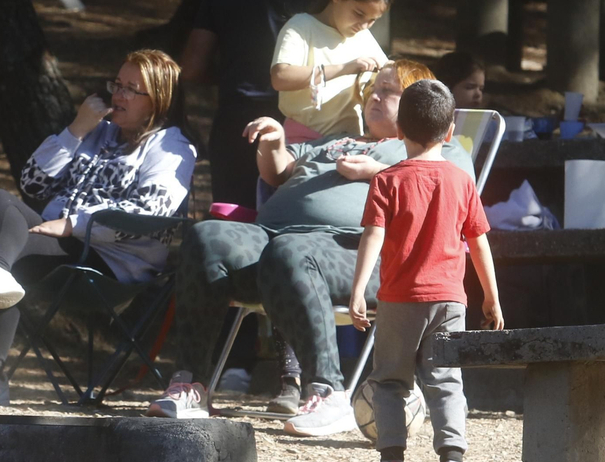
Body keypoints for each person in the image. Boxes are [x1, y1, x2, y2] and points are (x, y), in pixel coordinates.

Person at [149, 60, 475, 435]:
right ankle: (192, 385)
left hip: (352, 253)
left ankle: (328, 392)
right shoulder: (338, 140)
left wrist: (376, 172)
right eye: (374, 88)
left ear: (417, 105)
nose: (374, 95)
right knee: (206, 237)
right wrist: (274, 143)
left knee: (291, 251)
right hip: (273, 239)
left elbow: (451, 190)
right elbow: (280, 171)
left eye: (388, 91)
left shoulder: (439, 150)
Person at [0, 50, 196, 405]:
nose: (117, 96)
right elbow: (31, 184)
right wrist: (76, 130)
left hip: (110, 265)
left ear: (159, 100)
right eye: (117, 85)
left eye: (131, 90)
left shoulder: (171, 148)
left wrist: (73, 224)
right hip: (63, 248)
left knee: (9, 257)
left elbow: (149, 214)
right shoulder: (97, 131)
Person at [179, 0, 329, 408]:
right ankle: (297, 374)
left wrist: (236, 74)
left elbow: (193, 64)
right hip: (305, 127)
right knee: (291, 235)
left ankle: (234, 364)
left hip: (236, 126)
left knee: (234, 238)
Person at [348, 79, 502, 462]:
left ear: (399, 130)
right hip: (450, 298)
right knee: (446, 380)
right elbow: (478, 242)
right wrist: (491, 295)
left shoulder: (387, 181)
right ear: (450, 131)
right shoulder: (461, 181)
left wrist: (360, 288)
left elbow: (372, 237)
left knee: (391, 382)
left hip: (399, 299)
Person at [180, 0, 331, 206]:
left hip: (237, 122)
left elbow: (193, 67)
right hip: (305, 125)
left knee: (234, 221)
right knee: (295, 220)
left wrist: (232, 76)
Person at [269, 0, 393, 142]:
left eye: (373, 20)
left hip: (347, 145)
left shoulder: (362, 36)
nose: (364, 25)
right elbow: (280, 77)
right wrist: (345, 68)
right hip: (302, 143)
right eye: (359, 14)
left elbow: (390, 72)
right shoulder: (302, 27)